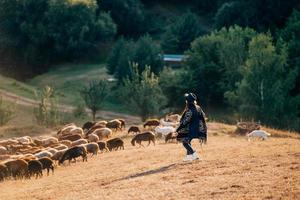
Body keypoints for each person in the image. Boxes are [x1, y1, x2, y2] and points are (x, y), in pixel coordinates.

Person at [176, 93, 207, 161]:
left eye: (186, 100)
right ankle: (189, 157)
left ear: (187, 101)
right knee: (188, 141)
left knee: (185, 142)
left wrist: (178, 129)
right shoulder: (198, 107)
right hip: (196, 128)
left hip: (190, 129)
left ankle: (194, 154)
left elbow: (186, 121)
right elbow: (203, 115)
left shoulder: (190, 109)